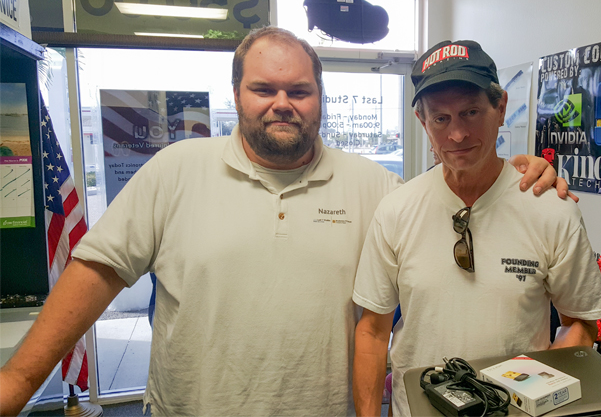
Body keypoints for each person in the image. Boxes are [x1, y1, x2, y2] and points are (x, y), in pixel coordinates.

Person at [0, 30, 566, 417]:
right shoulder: (175, 168)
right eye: (263, 89)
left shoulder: (377, 189)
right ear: (237, 95)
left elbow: (459, 202)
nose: (282, 103)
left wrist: (523, 174)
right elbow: (96, 270)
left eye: (299, 90)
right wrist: (19, 383)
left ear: (321, 97)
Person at [351, 40, 601, 417]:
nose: (456, 135)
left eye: (470, 112)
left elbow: (579, 323)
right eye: (441, 118)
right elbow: (372, 331)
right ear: (423, 121)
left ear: (499, 108)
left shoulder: (551, 210)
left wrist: (536, 394)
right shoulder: (396, 210)